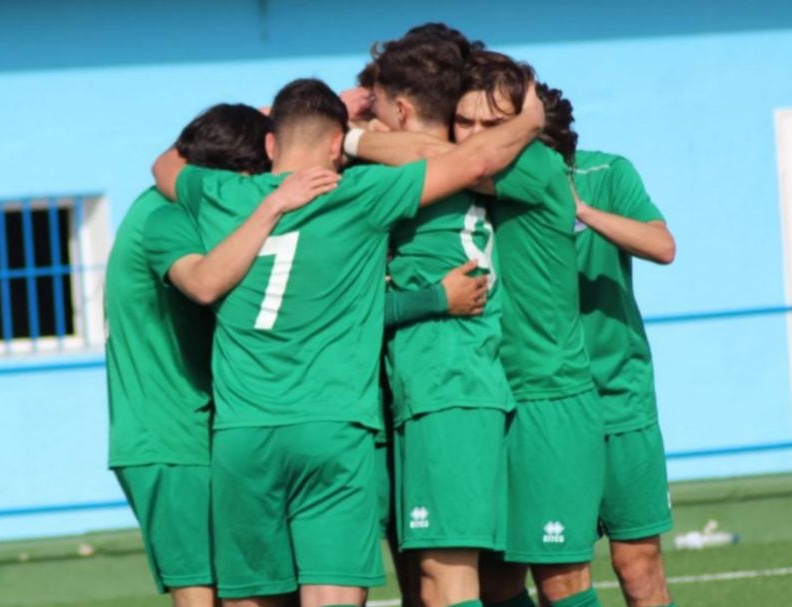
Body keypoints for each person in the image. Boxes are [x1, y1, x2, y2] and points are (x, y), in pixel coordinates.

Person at [151, 77, 544, 607]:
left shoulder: (223, 194)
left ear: (270, 144)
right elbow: (475, 162)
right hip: (333, 430)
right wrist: (530, 121)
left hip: (243, 434)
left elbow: (164, 165)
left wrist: (272, 111)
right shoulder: (359, 195)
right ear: (337, 147)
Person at [353, 50, 604, 607]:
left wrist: (348, 140)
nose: (472, 136)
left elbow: (444, 157)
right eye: (462, 121)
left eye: (492, 125)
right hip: (492, 390)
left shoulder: (530, 162)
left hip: (546, 392)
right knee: (495, 583)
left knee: (561, 580)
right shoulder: (475, 168)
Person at [106, 103, 334, 607]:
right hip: (172, 440)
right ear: (238, 176)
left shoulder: (169, 203)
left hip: (197, 433)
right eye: (257, 181)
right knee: (204, 595)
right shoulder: (168, 216)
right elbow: (206, 285)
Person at [354, 23, 514, 607]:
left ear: (398, 107)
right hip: (450, 384)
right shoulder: (467, 165)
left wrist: (346, 137)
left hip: (446, 386)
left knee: (447, 579)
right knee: (441, 579)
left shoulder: (393, 176)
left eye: (373, 104)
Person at [569, 149, 676, 607]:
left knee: (638, 564)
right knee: (559, 572)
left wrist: (584, 212)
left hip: (620, 398)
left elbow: (663, 246)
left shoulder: (606, 173)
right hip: (541, 406)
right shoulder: (481, 184)